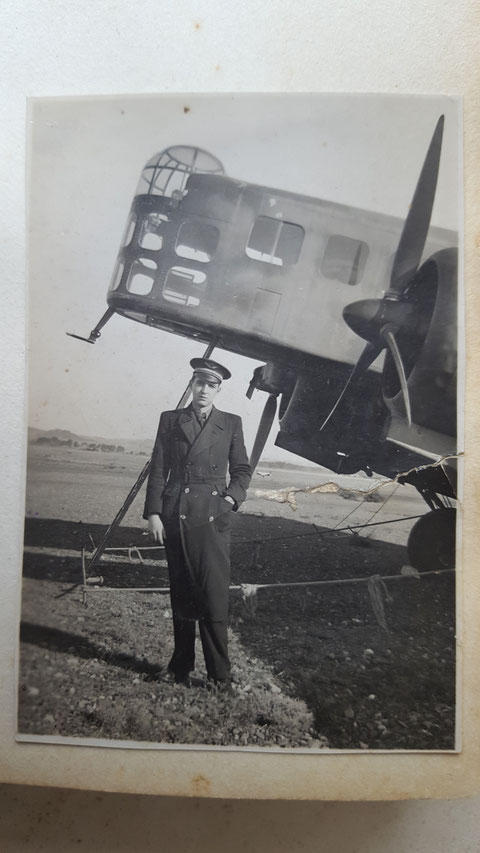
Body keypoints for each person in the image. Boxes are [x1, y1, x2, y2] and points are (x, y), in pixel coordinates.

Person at [144, 358, 252, 691]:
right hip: (176, 514)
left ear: (219, 389)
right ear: (192, 385)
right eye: (199, 383)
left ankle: (220, 676)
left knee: (214, 594)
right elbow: (159, 469)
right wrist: (153, 513)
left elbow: (242, 470)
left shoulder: (231, 423)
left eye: (212, 385)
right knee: (182, 594)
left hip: (212, 517)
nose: (204, 390)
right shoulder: (171, 420)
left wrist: (231, 500)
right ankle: (180, 668)